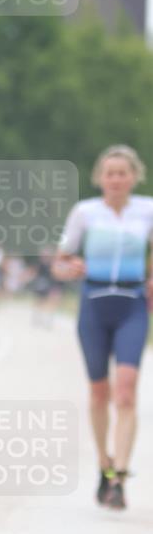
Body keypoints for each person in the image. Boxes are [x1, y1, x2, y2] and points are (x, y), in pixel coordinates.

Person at [52, 145, 153, 510]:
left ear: (133, 176)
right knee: (99, 393)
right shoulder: (85, 213)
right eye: (109, 173)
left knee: (126, 391)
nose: (115, 179)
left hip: (132, 307)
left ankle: (120, 478)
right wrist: (69, 266)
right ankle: (104, 465)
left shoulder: (147, 210)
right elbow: (60, 261)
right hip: (93, 307)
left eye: (122, 173)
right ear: (100, 178)